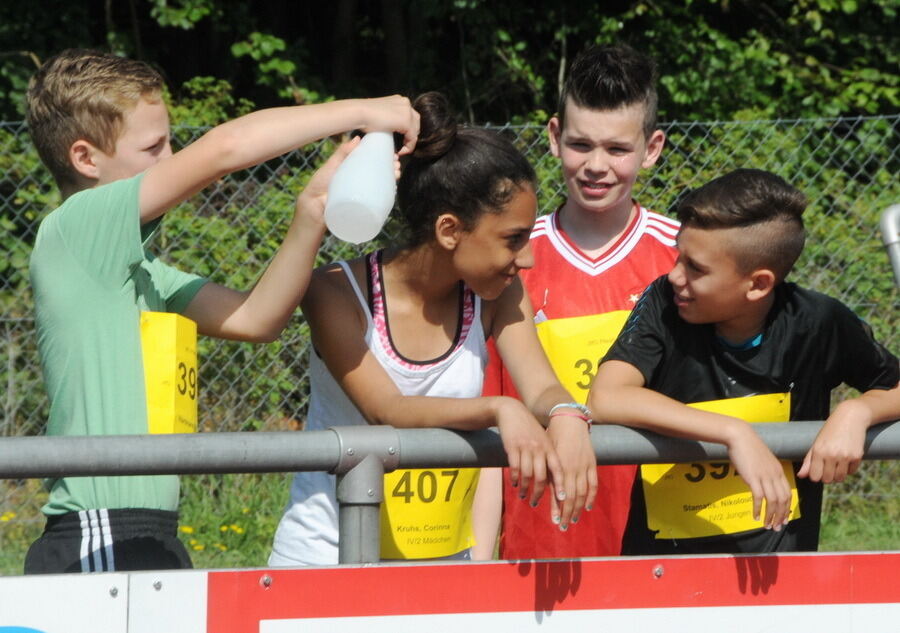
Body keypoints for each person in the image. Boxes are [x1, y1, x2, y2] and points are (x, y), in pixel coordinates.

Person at [24, 48, 419, 574]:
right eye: (154, 146)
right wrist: (363, 112)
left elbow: (258, 319)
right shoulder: (75, 229)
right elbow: (223, 150)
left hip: (151, 529)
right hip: (98, 532)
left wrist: (312, 212)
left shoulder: (141, 273)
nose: (171, 158)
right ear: (85, 159)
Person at [268, 92, 596, 567]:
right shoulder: (335, 292)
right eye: (513, 239)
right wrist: (500, 408)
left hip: (442, 563)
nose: (527, 258)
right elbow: (389, 410)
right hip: (324, 560)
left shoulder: (498, 292)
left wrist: (566, 413)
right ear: (449, 230)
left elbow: (542, 386)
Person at [589, 168, 900, 554]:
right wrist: (735, 434)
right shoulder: (664, 303)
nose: (674, 276)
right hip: (660, 569)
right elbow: (606, 397)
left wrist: (858, 411)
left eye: (696, 268)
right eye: (678, 256)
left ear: (758, 284)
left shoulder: (818, 322)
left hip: (779, 573)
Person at [478, 43, 678, 559]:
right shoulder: (505, 257)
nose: (595, 165)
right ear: (553, 137)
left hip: (658, 538)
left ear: (651, 149)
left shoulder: (684, 257)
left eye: (617, 149)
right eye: (579, 144)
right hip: (534, 540)